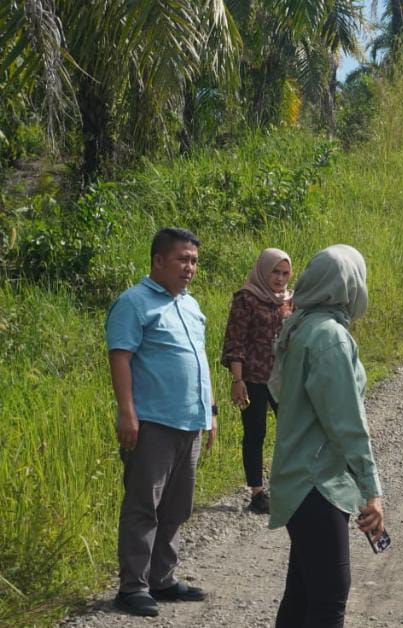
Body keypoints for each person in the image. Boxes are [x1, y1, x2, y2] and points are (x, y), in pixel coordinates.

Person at [269, 245, 384, 628]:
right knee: (329, 599)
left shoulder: (298, 326)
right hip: (317, 483)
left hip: (298, 479)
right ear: (348, 286)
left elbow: (279, 392)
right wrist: (373, 490)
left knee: (303, 593)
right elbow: (347, 424)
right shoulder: (330, 338)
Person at [106, 227, 217, 617]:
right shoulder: (134, 303)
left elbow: (199, 360)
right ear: (158, 261)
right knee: (143, 506)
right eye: (182, 259)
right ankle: (132, 587)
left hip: (190, 423)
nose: (190, 268)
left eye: (194, 261)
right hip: (152, 422)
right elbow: (120, 356)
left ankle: (162, 578)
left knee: (176, 507)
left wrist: (211, 410)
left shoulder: (189, 304)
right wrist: (127, 411)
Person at [221, 248, 293, 515]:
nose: (280, 278)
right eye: (275, 271)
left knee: (293, 430)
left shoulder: (290, 300)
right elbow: (235, 341)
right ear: (263, 270)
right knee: (255, 433)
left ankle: (288, 485)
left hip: (284, 378)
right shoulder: (247, 298)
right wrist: (237, 379)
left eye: (285, 273)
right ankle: (257, 492)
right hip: (253, 377)